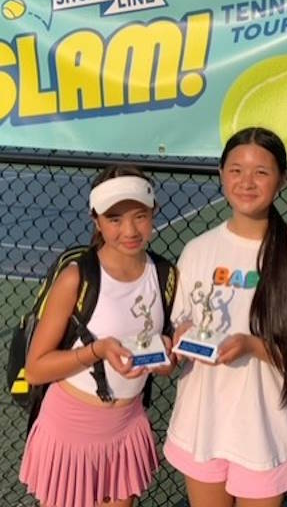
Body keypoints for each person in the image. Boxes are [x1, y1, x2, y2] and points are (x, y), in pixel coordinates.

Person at [164, 127, 287, 507]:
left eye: (261, 172)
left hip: (263, 432)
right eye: (236, 170)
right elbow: (179, 327)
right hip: (201, 424)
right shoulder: (198, 249)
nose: (246, 182)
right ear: (221, 174)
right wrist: (181, 338)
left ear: (282, 179)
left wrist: (252, 346)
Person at [19, 164, 175, 507]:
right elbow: (36, 369)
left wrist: (166, 357)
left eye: (140, 216)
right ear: (96, 221)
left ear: (154, 213)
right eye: (115, 219)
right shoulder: (77, 278)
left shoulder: (165, 275)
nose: (130, 230)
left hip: (126, 427)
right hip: (70, 433)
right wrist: (97, 351)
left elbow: (164, 356)